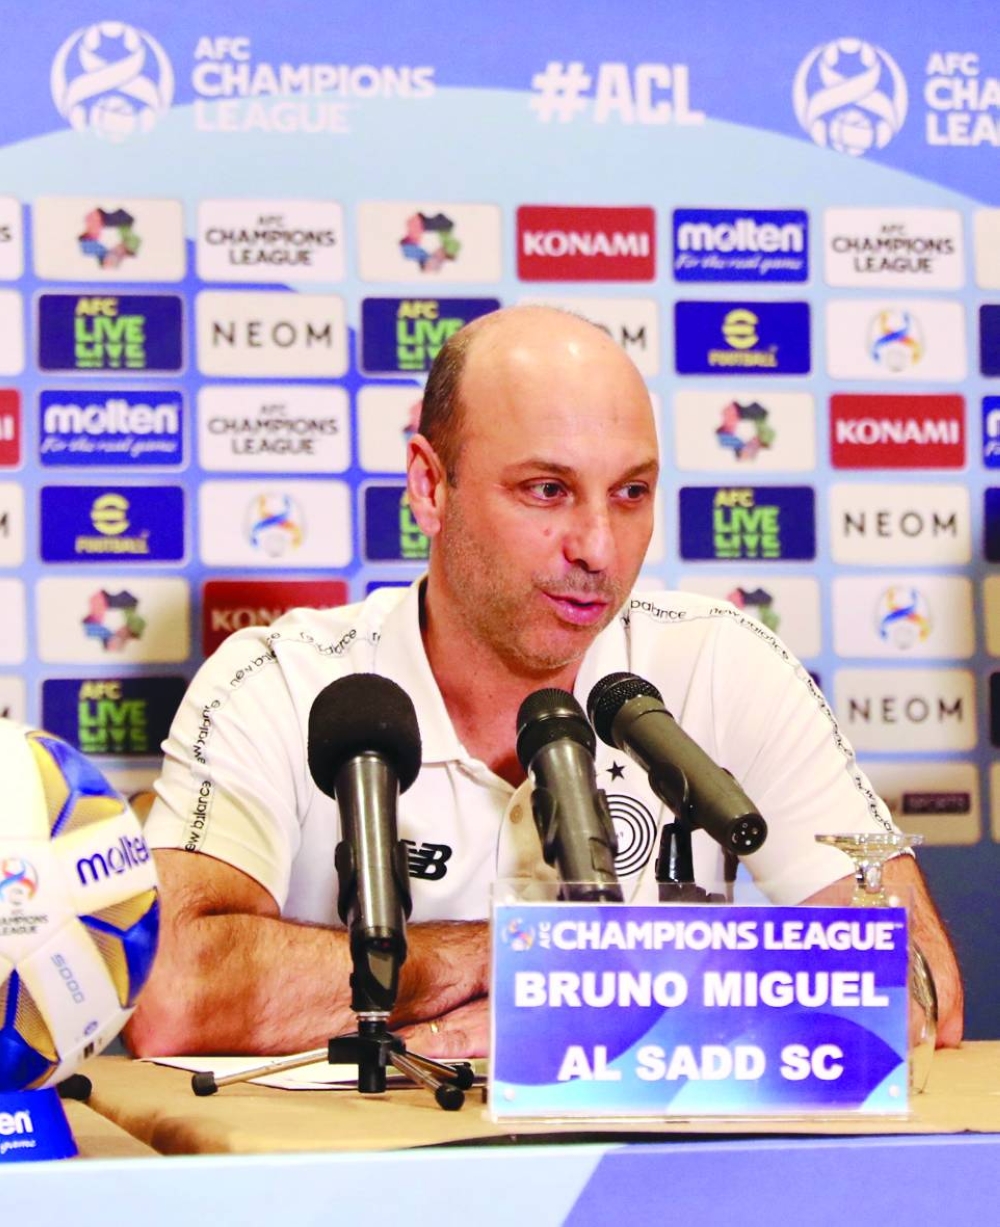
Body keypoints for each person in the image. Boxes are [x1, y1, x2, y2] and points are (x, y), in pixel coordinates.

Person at [126, 305, 964, 1059]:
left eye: (631, 492)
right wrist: (514, 960)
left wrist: (593, 1005)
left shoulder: (724, 664)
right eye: (547, 489)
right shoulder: (280, 681)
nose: (598, 547)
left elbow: (919, 990)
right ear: (429, 485)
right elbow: (169, 990)